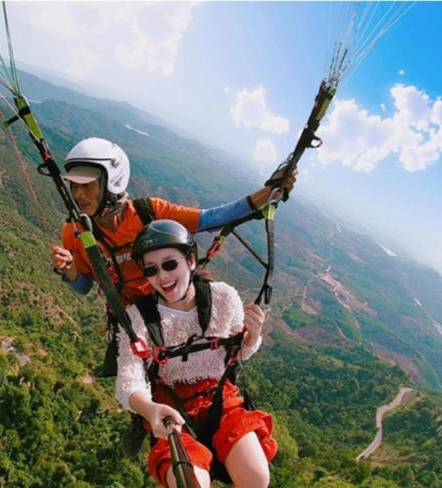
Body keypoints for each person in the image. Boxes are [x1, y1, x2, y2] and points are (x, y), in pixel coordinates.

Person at [115, 220, 277, 488]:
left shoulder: (223, 298)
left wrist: (252, 335)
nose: (163, 277)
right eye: (152, 270)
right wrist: (149, 409)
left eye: (170, 264)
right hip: (169, 407)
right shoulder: (139, 318)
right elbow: (128, 379)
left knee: (256, 479)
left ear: (191, 261)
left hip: (220, 399)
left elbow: (239, 354)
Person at [50, 137, 296, 305]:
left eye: (87, 185)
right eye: (74, 185)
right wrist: (70, 268)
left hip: (172, 303)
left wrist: (269, 192)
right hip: (129, 318)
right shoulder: (74, 233)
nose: (78, 194)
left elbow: (211, 218)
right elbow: (84, 286)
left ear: (112, 182)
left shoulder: (150, 212)